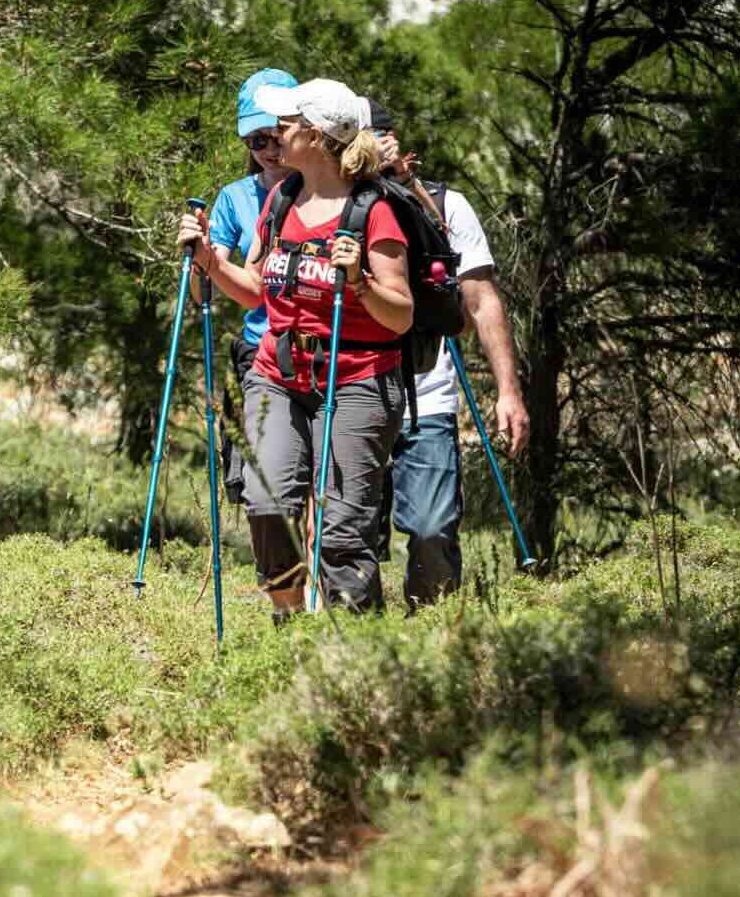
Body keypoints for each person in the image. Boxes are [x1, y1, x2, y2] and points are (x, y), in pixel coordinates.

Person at [179, 78, 412, 617]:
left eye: (284, 125)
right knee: (267, 504)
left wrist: (358, 280)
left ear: (316, 135)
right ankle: (288, 628)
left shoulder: (371, 210)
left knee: (342, 534)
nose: (273, 135)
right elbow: (258, 290)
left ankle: (355, 658)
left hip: (357, 378)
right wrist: (207, 259)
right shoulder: (281, 201)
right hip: (278, 373)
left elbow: (400, 316)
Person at [362, 99, 530, 607]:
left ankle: (432, 640)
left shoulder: (443, 204)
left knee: (434, 531)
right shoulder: (329, 203)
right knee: (351, 535)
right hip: (353, 389)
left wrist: (508, 390)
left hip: (427, 395)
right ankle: (353, 649)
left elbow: (480, 299)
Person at [195, 68, 297, 504]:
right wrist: (201, 261)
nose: (270, 151)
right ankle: (278, 572)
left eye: (277, 136)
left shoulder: (326, 192)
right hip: (259, 350)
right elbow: (206, 291)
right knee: (262, 488)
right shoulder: (234, 197)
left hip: (322, 347)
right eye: (257, 141)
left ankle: (313, 571)